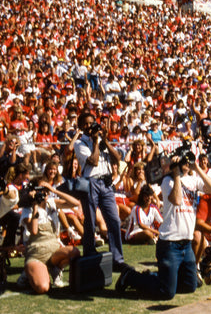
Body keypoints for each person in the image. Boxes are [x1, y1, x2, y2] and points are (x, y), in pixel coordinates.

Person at [116, 155, 201, 299]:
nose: (186, 164)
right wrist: (176, 174)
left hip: (186, 244)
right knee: (166, 293)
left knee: (189, 286)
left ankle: (161, 278)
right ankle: (131, 276)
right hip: (170, 244)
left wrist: (197, 167)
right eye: (183, 162)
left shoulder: (193, 180)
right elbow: (177, 200)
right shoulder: (168, 181)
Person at [73, 112, 126, 271]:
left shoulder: (100, 139)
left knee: (114, 220)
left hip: (106, 182)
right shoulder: (79, 143)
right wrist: (96, 142)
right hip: (91, 181)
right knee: (90, 221)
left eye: (92, 123)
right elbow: (93, 161)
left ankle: (117, 259)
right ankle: (89, 253)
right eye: (87, 124)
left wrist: (105, 141)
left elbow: (117, 157)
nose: (90, 126)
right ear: (82, 126)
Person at [19, 179, 81, 293]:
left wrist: (54, 190)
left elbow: (75, 203)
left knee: (75, 252)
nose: (45, 193)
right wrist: (35, 205)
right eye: (41, 191)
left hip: (53, 251)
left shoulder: (51, 203)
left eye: (46, 190)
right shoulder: (28, 210)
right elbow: (33, 230)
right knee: (43, 288)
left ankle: (55, 268)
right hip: (36, 254)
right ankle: (28, 273)